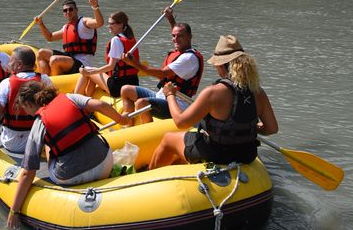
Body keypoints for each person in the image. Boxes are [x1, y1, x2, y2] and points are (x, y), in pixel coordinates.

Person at [6, 81, 131, 228]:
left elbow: (28, 173)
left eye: (24, 108)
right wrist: (121, 119)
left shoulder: (38, 124)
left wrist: (14, 211)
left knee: (49, 143)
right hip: (105, 163)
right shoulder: (70, 98)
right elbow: (101, 105)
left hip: (72, 177)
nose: (26, 113)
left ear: (28, 104)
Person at [149, 35, 278, 169]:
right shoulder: (258, 92)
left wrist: (170, 95)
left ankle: (148, 178)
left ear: (221, 65)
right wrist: (245, 127)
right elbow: (271, 129)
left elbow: (181, 122)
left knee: (168, 139)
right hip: (246, 154)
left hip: (216, 153)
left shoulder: (213, 92)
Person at [120, 18, 204, 123]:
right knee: (125, 90)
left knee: (141, 103)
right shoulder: (180, 52)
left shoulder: (189, 58)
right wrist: (170, 18)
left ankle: (148, 135)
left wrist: (134, 63)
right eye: (173, 36)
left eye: (180, 36)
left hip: (176, 103)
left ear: (190, 37)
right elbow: (177, 32)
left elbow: (162, 73)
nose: (176, 39)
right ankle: (128, 125)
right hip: (161, 95)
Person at [0, 47, 53, 154]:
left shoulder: (6, 84)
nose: (9, 65)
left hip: (13, 143)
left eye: (11, 62)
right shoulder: (45, 80)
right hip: (40, 140)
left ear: (19, 65)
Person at [74, 11, 140, 97]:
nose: (109, 26)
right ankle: (88, 99)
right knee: (92, 73)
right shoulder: (131, 38)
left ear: (120, 24)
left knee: (87, 70)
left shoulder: (116, 40)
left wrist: (90, 72)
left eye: (111, 24)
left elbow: (111, 66)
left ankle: (77, 101)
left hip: (118, 86)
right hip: (133, 83)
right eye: (108, 23)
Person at [35, 0, 104, 75]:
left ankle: (53, 84)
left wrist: (95, 7)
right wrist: (41, 24)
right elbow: (50, 37)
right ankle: (45, 80)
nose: (68, 12)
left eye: (70, 9)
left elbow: (99, 23)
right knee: (41, 53)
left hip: (82, 64)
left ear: (76, 10)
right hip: (70, 59)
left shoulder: (84, 22)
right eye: (65, 10)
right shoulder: (66, 27)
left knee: (54, 59)